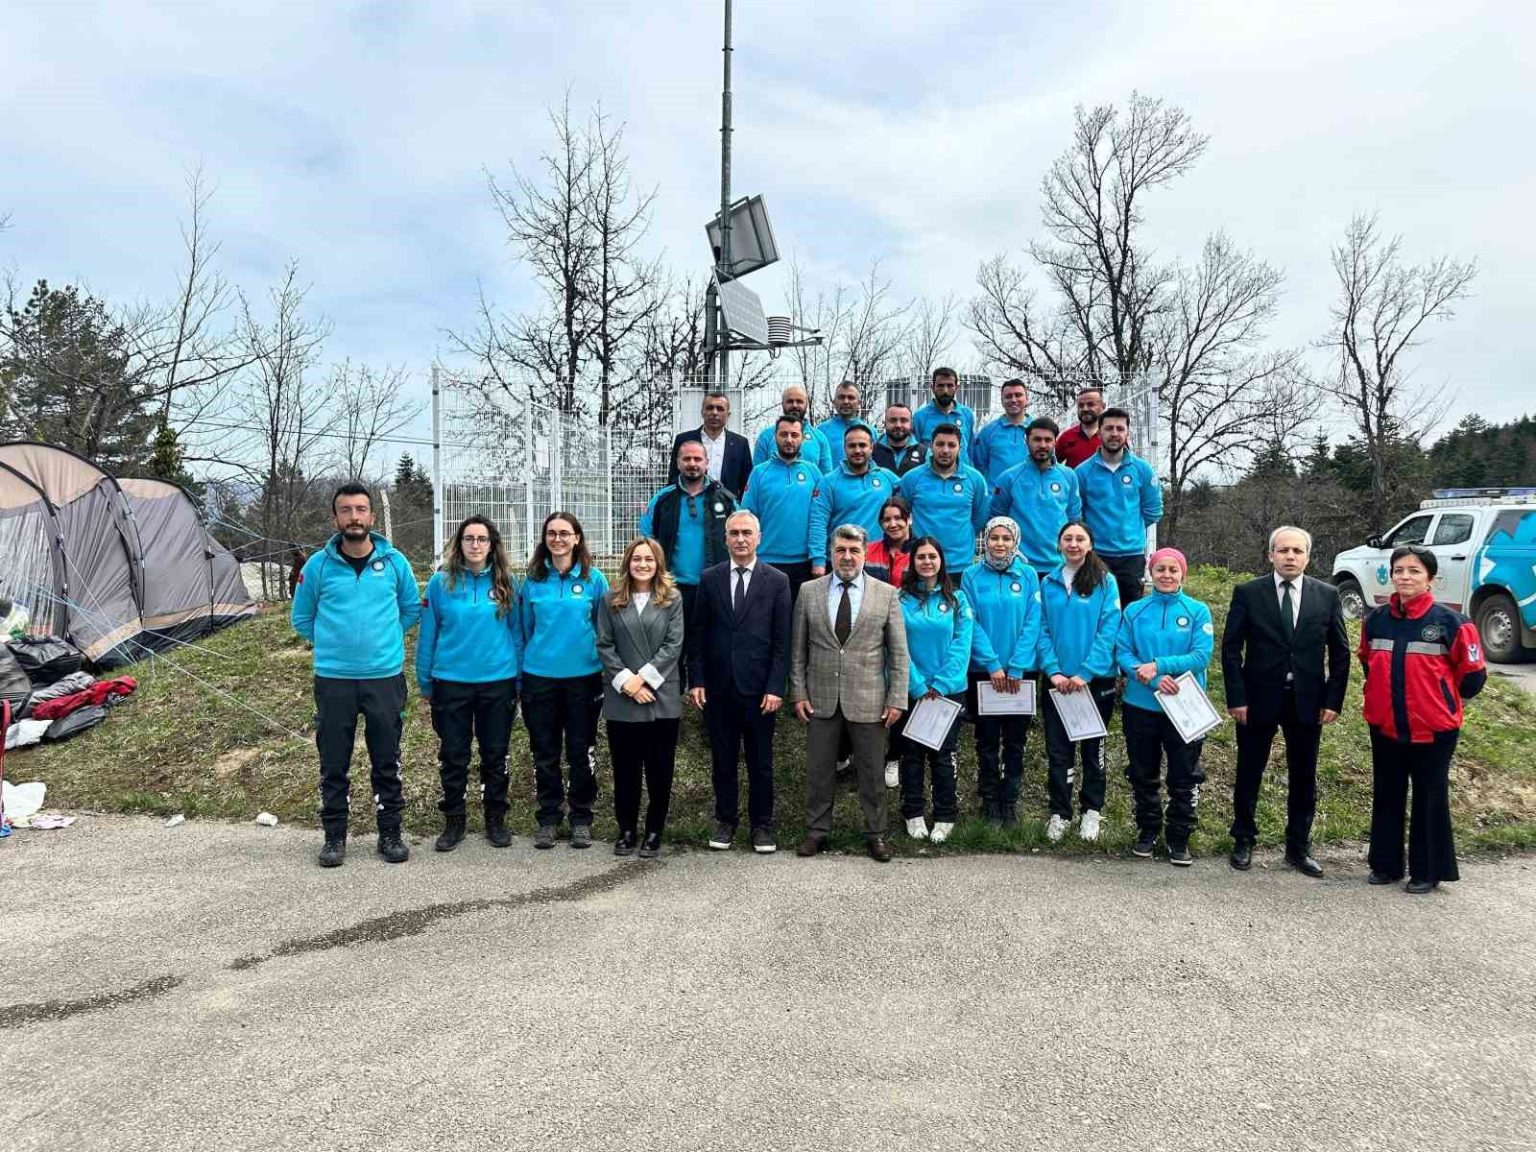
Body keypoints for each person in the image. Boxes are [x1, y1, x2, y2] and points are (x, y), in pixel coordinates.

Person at [291, 483, 422, 868]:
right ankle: (334, 836)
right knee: (333, 761)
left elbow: (410, 610)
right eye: (346, 510)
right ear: (335, 518)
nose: (354, 517)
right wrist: (335, 643)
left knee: (387, 760)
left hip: (385, 677)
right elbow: (302, 618)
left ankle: (390, 832)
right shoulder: (317, 566)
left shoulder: (395, 562)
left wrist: (384, 640)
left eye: (360, 510)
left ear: (371, 517)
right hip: (334, 680)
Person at [1223, 526, 1350, 877]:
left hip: (1307, 700)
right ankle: (1243, 839)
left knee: (1304, 776)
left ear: (1308, 557)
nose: (1290, 556)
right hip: (1257, 699)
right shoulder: (1248, 593)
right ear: (1271, 555)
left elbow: (1340, 652)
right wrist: (1237, 697)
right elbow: (1231, 649)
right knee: (1249, 771)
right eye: (1283, 550)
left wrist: (1333, 699)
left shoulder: (1327, 595)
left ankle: (1298, 847)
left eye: (1297, 551)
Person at [1360, 545, 1487, 894]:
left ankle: (1428, 871)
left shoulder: (1453, 622)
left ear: (1431, 578)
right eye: (1399, 570)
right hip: (1385, 724)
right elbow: (1368, 660)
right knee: (1387, 793)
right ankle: (1385, 865)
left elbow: (1473, 676)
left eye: (1414, 571)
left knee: (1430, 798)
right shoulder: (1376, 619)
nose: (1405, 577)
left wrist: (1441, 699)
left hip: (1434, 728)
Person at [789, 524, 909, 862]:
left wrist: (897, 698)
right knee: (819, 771)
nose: (847, 557)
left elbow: (898, 653)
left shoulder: (886, 594)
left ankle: (876, 834)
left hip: (869, 698)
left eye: (854, 550)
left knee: (871, 774)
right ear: (831, 552)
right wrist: (798, 692)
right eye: (840, 550)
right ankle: (816, 831)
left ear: (864, 553)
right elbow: (797, 650)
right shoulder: (809, 591)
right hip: (821, 698)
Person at [416, 515, 522, 853]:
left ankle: (495, 819)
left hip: (498, 682)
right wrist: (425, 680)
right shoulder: (440, 583)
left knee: (495, 754)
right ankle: (454, 821)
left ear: (492, 545)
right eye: (469, 538)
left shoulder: (507, 581)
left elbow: (517, 634)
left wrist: (519, 680)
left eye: (482, 539)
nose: (475, 545)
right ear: (459, 543)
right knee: (453, 755)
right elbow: (428, 635)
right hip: (451, 683)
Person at [689, 511, 792, 854]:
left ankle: (762, 825)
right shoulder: (710, 578)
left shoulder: (777, 581)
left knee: (761, 762)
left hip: (760, 690)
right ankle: (726, 820)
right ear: (725, 539)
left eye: (747, 533)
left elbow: (782, 641)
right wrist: (697, 679)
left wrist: (776, 686)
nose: (740, 539)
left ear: (758, 537)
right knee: (723, 760)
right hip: (719, 688)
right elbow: (698, 633)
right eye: (734, 533)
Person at [1114, 547, 1214, 866]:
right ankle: (1147, 830)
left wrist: (1159, 665)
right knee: (1143, 773)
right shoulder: (1135, 611)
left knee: (1184, 776)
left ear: (1183, 574)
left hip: (1185, 706)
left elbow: (1201, 655)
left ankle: (1179, 837)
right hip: (1141, 704)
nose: (1167, 575)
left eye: (1173, 570)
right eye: (1160, 569)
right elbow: (1123, 653)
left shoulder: (1197, 611)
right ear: (1151, 573)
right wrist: (1153, 680)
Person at [520, 511, 610, 850]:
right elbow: (525, 629)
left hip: (583, 680)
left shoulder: (594, 580)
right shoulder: (532, 581)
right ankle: (548, 817)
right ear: (545, 539)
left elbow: (604, 628)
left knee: (581, 751)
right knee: (544, 752)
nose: (557, 539)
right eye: (551, 533)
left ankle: (581, 817)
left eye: (564, 533)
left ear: (577, 538)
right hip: (539, 678)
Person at [596, 537, 686, 859]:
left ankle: (654, 830)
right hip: (623, 697)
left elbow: (674, 646)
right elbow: (604, 644)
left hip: (661, 695)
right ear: (628, 563)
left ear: (658, 563)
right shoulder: (610, 599)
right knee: (626, 770)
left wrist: (643, 679)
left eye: (649, 559)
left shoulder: (672, 598)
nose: (643, 564)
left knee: (660, 770)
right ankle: (626, 829)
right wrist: (627, 683)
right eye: (637, 559)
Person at [1038, 521, 1122, 843]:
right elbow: (1041, 630)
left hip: (1095, 682)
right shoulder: (1048, 582)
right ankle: (1060, 812)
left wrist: (1086, 672)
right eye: (1068, 539)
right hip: (1057, 682)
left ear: (1090, 544)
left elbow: (1109, 629)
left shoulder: (1105, 582)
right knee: (1059, 752)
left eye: (1080, 539)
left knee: (1092, 751)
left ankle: (1091, 810)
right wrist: (1053, 671)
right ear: (1059, 543)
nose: (1073, 544)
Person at [961, 517, 1042, 827]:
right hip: (984, 673)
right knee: (986, 740)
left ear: (1015, 541)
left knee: (1015, 741)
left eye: (1006, 538)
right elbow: (971, 622)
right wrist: (992, 664)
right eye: (994, 537)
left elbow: (1033, 621)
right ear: (985, 541)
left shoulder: (1028, 574)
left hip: (1021, 674)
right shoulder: (970, 575)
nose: (999, 543)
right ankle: (989, 799)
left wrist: (1017, 665)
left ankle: (1010, 800)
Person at [895, 537, 974, 844]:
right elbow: (896, 646)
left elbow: (961, 645)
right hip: (911, 689)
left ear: (941, 561)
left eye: (932, 556)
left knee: (944, 756)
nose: (927, 562)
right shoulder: (900, 599)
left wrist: (940, 684)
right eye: (921, 557)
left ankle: (945, 814)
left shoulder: (958, 599)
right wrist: (917, 684)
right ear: (912, 562)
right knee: (911, 755)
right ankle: (913, 812)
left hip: (947, 692)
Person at [640, 440, 736, 684]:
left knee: (711, 645)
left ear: (707, 463)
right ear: (678, 463)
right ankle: (672, 695)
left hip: (714, 587)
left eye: (697, 459)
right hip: (672, 588)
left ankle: (707, 696)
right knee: (671, 646)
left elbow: (742, 534)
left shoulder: (725, 498)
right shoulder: (663, 499)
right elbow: (647, 539)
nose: (692, 464)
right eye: (687, 459)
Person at [1075, 407, 1162, 607]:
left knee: (1129, 612)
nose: (1114, 433)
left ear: (1127, 433)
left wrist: (1128, 529)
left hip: (1131, 557)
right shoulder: (1082, 472)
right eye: (1109, 428)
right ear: (1099, 432)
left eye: (1120, 429)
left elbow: (1153, 511)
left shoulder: (1143, 470)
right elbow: (1077, 514)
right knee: (1095, 611)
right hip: (1095, 555)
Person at [741, 416, 821, 603]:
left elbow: (820, 518)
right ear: (775, 437)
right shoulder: (759, 473)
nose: (789, 440)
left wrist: (818, 558)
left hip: (804, 563)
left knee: (800, 618)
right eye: (783, 434)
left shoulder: (813, 472)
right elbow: (747, 518)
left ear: (802, 438)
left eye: (794, 435)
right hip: (767, 562)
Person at [989, 416, 1082, 576]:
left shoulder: (1069, 476)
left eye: (1048, 440)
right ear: (1026, 441)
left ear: (1055, 442)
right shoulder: (1009, 478)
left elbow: (1074, 520)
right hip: (1020, 566)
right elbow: (997, 520)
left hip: (1059, 565)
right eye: (1037, 440)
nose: (1042, 445)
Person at [898, 424, 989, 578]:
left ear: (960, 448)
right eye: (940, 444)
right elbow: (903, 515)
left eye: (951, 445)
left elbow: (979, 517)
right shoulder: (911, 479)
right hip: (923, 564)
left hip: (961, 564)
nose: (945, 450)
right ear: (931, 446)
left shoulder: (975, 479)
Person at [809, 426, 900, 576]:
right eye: (852, 446)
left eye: (862, 445)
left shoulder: (887, 477)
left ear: (871, 447)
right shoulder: (828, 482)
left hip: (878, 562)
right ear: (844, 448)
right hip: (842, 561)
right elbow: (818, 523)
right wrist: (818, 561)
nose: (857, 450)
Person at [668, 390, 753, 497]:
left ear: (728, 414)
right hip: (691, 504)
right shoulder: (684, 440)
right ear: (702, 412)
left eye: (720, 409)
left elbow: (746, 484)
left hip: (729, 506)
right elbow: (674, 480)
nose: (714, 413)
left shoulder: (740, 444)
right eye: (709, 408)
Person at [752, 385, 833, 473]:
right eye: (790, 401)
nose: (794, 405)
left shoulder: (819, 438)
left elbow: (826, 476)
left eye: (799, 401)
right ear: (782, 404)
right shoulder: (766, 437)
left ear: (806, 404)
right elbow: (757, 473)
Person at [970, 378, 1033, 483]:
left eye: (1018, 395)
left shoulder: (1038, 430)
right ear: (1002, 401)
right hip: (996, 492)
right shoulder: (987, 432)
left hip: (1029, 492)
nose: (1013, 400)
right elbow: (978, 467)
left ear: (1027, 399)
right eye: (1008, 396)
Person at [912, 367, 977, 454]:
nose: (945, 391)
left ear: (956, 388)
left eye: (950, 386)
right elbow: (915, 452)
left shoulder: (966, 414)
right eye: (940, 386)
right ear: (932, 388)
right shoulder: (920, 417)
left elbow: (971, 451)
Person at [816, 380, 874, 469]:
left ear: (859, 403)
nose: (846, 401)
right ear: (834, 402)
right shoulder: (821, 431)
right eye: (841, 397)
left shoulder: (871, 432)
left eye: (851, 398)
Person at [865, 497, 915, 588]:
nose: (892, 524)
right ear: (882, 523)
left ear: (910, 519)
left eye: (898, 518)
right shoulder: (867, 551)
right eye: (887, 520)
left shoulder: (921, 553)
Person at [1055, 385, 1105, 469]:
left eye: (1090, 404)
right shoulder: (1066, 437)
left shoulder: (1112, 436)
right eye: (1081, 405)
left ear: (1103, 407)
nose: (1085, 409)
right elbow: (1051, 466)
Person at [873, 402, 929, 475]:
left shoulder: (925, 454)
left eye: (903, 420)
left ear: (911, 424)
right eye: (893, 420)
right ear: (885, 423)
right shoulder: (872, 451)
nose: (898, 425)